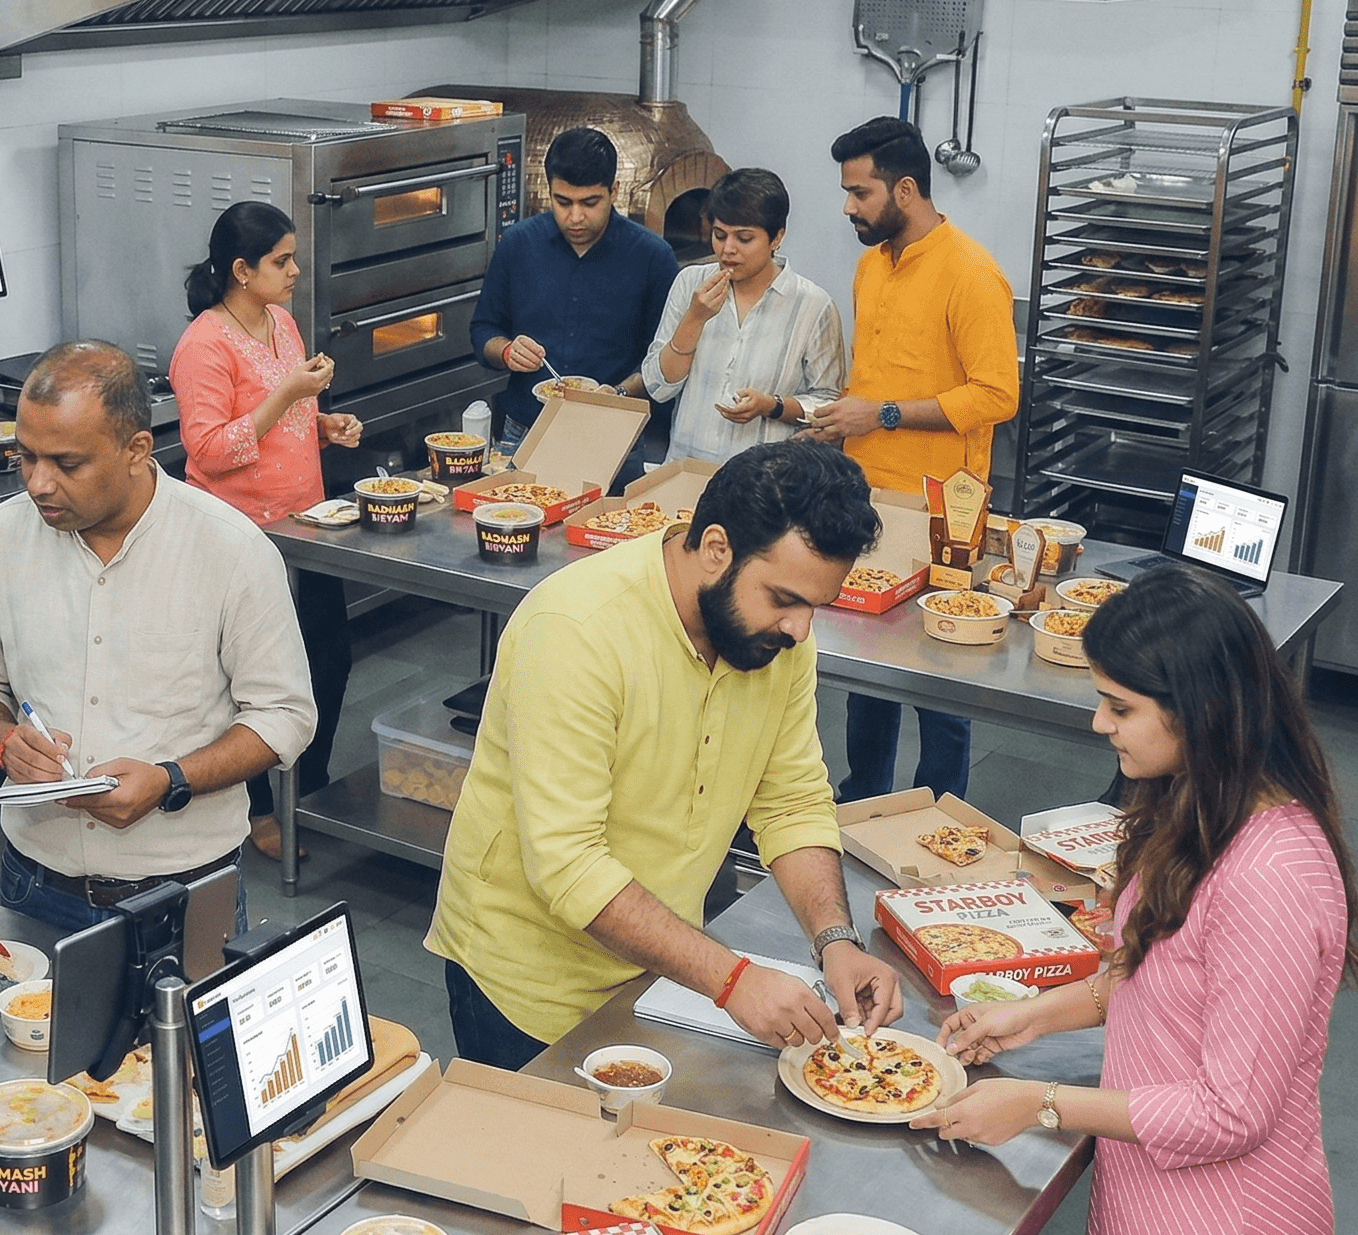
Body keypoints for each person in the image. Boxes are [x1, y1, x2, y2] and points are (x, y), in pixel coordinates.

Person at [916, 566, 1356, 1235]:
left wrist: (1035, 1102)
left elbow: (1231, 1111)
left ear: (1196, 708)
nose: (1097, 727)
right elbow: (1152, 966)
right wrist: (1033, 1014)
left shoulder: (1275, 873)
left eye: (1118, 707)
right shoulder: (1197, 811)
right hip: (1154, 1206)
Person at [425, 440, 903, 1068]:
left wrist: (835, 941)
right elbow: (569, 865)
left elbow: (790, 801)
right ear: (715, 549)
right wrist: (731, 980)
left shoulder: (777, 641)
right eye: (785, 600)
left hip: (655, 968)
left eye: (816, 606)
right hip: (525, 988)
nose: (800, 629)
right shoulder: (577, 630)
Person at [0, 342, 315, 936]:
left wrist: (172, 779)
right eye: (25, 458)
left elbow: (285, 715)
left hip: (185, 891)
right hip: (36, 881)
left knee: (187, 1036)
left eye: (66, 464)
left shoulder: (231, 550)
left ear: (137, 449)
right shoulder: (0, 538)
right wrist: (4, 742)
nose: (38, 484)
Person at [809, 117, 1018, 803]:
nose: (848, 207)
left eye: (860, 193)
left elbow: (997, 394)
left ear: (905, 188)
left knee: (938, 668)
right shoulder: (873, 264)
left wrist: (884, 415)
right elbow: (875, 378)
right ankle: (865, 794)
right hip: (870, 496)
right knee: (869, 661)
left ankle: (940, 809)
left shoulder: (971, 273)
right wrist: (839, 426)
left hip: (941, 508)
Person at [169, 203, 362, 860]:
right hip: (241, 537)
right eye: (282, 261)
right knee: (250, 682)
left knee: (328, 657)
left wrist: (323, 424)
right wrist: (287, 400)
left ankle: (308, 790)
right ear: (241, 271)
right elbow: (208, 448)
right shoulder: (204, 344)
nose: (295, 271)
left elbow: (289, 413)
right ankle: (257, 812)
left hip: (304, 523)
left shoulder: (281, 323)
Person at [469, 126, 678, 477]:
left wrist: (617, 394)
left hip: (613, 434)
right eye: (562, 202)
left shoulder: (652, 257)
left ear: (613, 191)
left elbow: (665, 360)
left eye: (589, 203)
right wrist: (506, 351)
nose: (575, 217)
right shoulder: (519, 245)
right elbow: (483, 331)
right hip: (526, 429)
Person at [640, 166, 846, 465]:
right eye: (719, 235)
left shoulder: (814, 305)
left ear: (777, 237)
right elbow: (658, 387)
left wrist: (771, 406)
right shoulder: (690, 283)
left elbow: (827, 402)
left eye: (744, 238)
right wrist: (694, 319)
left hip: (764, 482)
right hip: (684, 470)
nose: (728, 250)